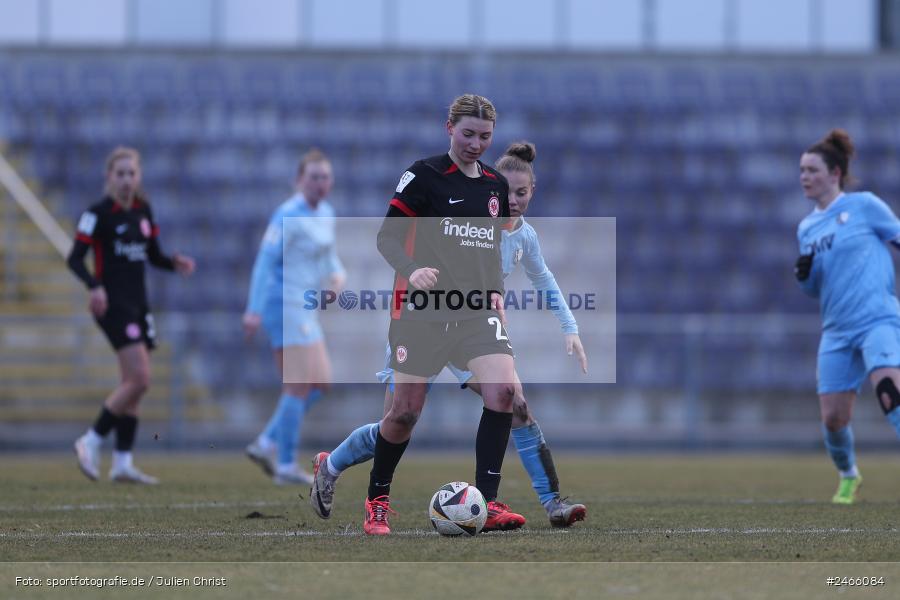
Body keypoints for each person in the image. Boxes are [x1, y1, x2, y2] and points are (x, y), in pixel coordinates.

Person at [309, 142, 588, 529]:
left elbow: (544, 279)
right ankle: (332, 464)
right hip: (424, 320)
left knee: (514, 401)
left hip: (473, 326)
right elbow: (398, 236)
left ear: (532, 192)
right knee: (398, 419)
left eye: (521, 193)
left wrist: (569, 326)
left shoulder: (524, 236)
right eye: (505, 192)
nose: (511, 200)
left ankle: (550, 503)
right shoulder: (464, 213)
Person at [309, 94, 521, 536]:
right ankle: (376, 503)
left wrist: (497, 293)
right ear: (449, 127)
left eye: (484, 136)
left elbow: (491, 249)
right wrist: (413, 270)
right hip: (420, 312)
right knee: (403, 415)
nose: (476, 144)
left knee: (503, 393)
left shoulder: (495, 187)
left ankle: (490, 501)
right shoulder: (421, 176)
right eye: (467, 134)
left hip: (475, 312)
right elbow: (387, 238)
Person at [69, 146, 195, 484]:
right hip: (111, 305)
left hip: (139, 304)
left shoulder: (144, 211)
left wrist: (173, 262)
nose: (126, 180)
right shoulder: (97, 214)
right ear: (109, 177)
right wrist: (94, 285)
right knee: (140, 379)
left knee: (134, 385)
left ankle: (122, 462)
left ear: (138, 177)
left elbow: (152, 255)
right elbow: (74, 259)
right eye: (120, 173)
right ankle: (91, 440)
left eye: (131, 173)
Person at [794, 129, 900, 504]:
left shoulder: (864, 206)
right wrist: (805, 275)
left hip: (877, 319)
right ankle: (848, 476)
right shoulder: (806, 229)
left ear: (835, 173)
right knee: (833, 419)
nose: (805, 177)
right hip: (837, 330)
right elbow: (812, 289)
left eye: (812, 170)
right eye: (802, 170)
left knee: (890, 391)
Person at [242, 149, 345, 485]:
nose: (320, 183)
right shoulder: (286, 214)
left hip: (305, 305)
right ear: (299, 181)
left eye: (325, 177)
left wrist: (337, 278)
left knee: (322, 382)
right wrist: (254, 310)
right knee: (298, 383)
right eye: (313, 177)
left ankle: (266, 442)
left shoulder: (327, 213)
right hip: (282, 302)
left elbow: (329, 260)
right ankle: (285, 464)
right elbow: (264, 262)